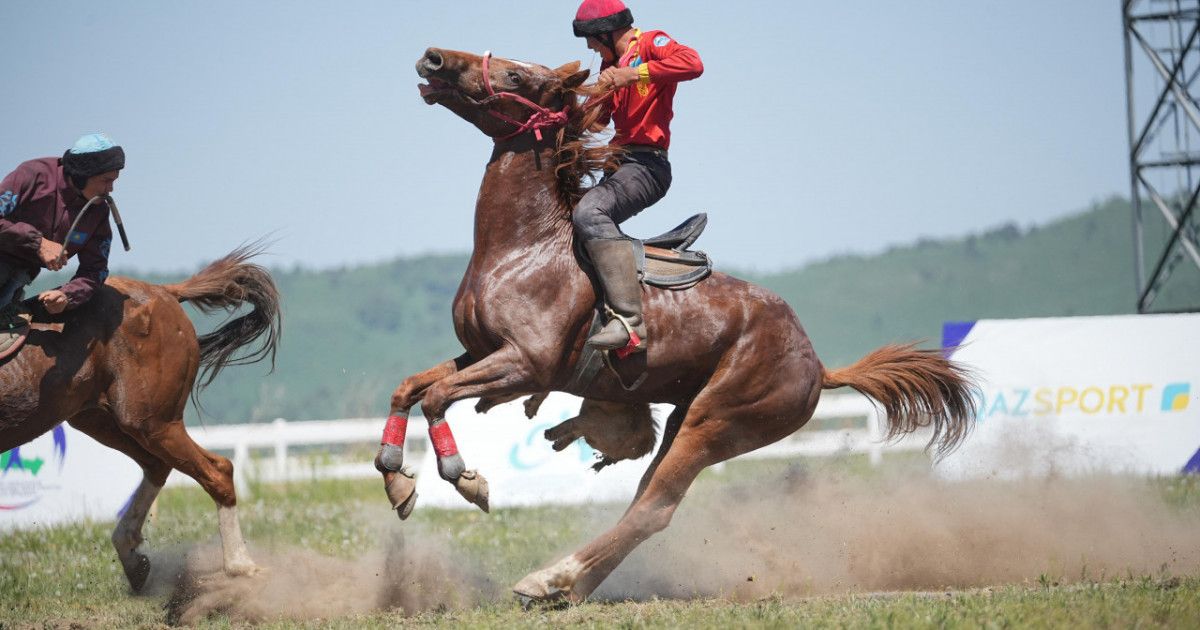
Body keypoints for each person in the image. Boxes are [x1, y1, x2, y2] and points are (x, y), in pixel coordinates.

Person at [571, 0, 703, 355]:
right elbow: (598, 122)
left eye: (591, 40)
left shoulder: (651, 43)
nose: (589, 47)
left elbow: (694, 63)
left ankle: (630, 322)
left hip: (647, 166)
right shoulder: (609, 65)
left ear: (606, 32)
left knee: (588, 214)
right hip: (618, 165)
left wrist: (633, 74)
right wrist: (591, 99)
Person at [0, 133, 123, 354]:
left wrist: (67, 295)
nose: (110, 190)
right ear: (84, 174)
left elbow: (95, 270)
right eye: (106, 181)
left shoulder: (98, 211)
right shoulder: (32, 175)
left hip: (14, 286)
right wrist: (38, 243)